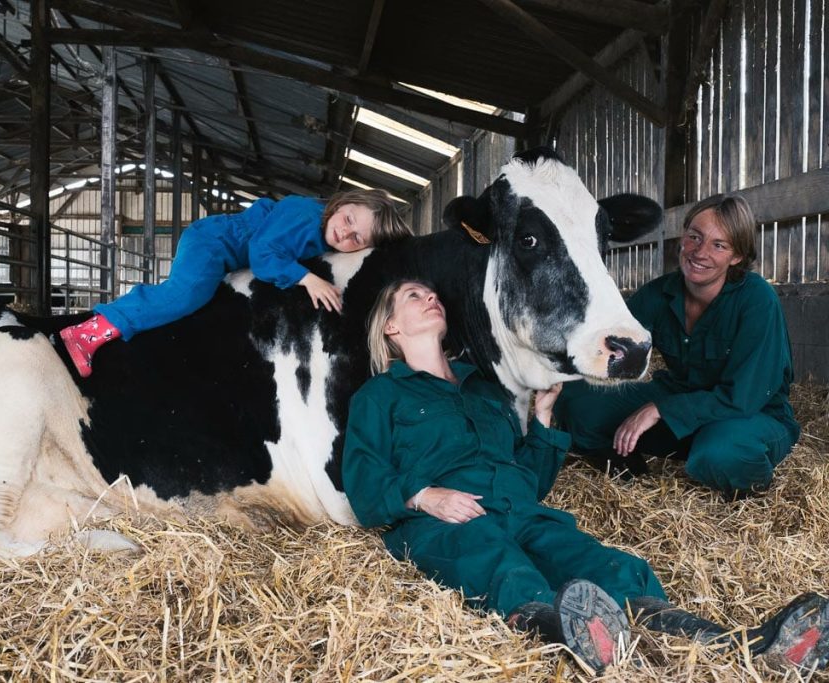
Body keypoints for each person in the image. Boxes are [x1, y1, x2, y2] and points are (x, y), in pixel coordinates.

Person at [342, 279, 829, 673]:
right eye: (413, 296)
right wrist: (426, 497)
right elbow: (364, 486)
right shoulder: (380, 398)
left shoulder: (484, 390)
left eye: (432, 293)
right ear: (390, 327)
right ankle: (568, 634)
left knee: (607, 566)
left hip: (522, 510)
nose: (431, 297)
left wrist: (545, 419)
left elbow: (527, 481)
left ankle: (740, 646)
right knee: (502, 567)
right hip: (449, 522)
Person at [554, 194, 799, 500]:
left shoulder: (757, 300)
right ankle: (628, 465)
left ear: (736, 256)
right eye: (694, 237)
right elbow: (607, 339)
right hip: (683, 396)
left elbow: (743, 398)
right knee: (578, 399)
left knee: (722, 453)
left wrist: (661, 409)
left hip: (750, 416)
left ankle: (731, 474)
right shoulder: (661, 292)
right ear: (683, 237)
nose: (700, 252)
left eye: (718, 245)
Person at [59, 189, 411, 377]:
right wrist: (307, 279)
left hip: (227, 253)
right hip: (213, 243)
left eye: (356, 237)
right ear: (341, 204)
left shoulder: (322, 233)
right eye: (349, 219)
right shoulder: (305, 215)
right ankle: (91, 330)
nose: (345, 232)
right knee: (185, 296)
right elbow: (262, 254)